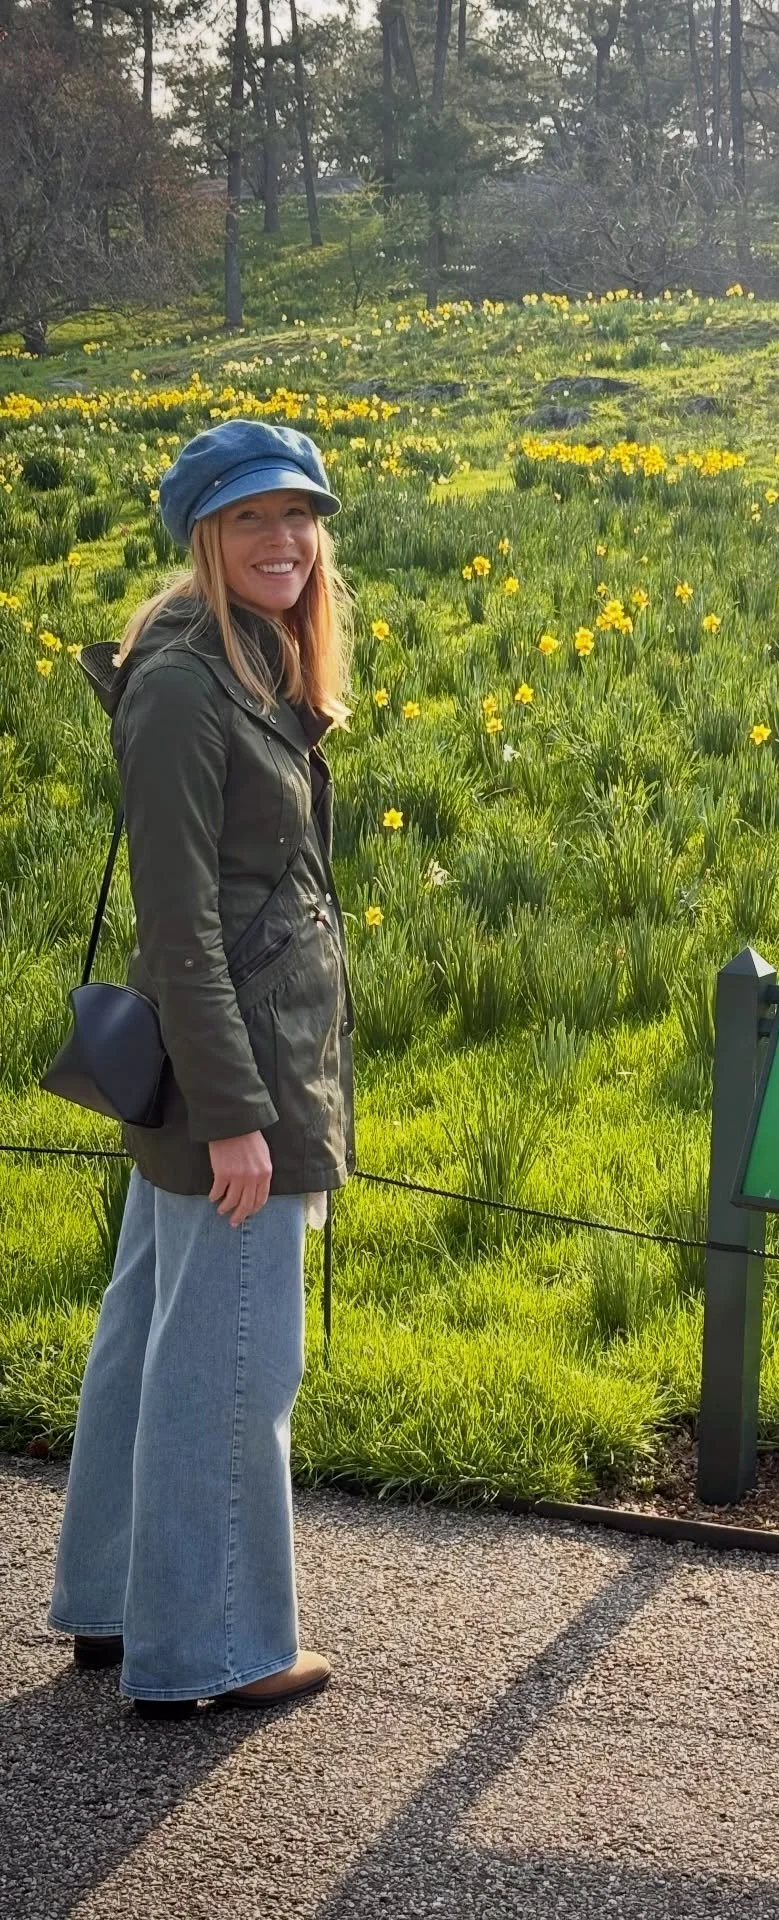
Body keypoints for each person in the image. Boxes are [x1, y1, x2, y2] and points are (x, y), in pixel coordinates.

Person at [47, 418, 357, 1720]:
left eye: (296, 516)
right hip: (238, 1074)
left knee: (153, 1334)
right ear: (202, 535)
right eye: (248, 519)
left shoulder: (246, 656)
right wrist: (240, 1120)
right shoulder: (183, 683)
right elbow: (179, 925)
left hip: (225, 1057)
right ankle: (213, 1649)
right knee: (232, 1364)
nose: (280, 540)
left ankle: (121, 1602)